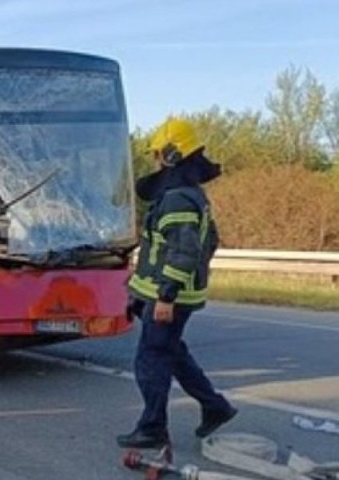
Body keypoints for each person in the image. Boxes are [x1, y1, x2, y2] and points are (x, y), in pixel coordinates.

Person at [117, 118, 237, 449]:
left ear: (171, 155)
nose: (155, 161)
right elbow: (205, 243)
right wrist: (138, 293)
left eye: (157, 154)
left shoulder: (177, 199)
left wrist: (167, 296)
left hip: (168, 296)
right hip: (161, 293)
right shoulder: (190, 195)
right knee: (172, 354)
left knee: (151, 361)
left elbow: (184, 251)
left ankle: (152, 428)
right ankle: (216, 406)